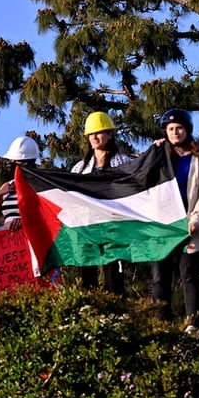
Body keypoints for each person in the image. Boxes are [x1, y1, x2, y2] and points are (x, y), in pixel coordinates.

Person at [151, 108, 199, 333]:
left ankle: (193, 323)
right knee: (159, 276)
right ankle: (160, 323)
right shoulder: (160, 155)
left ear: (187, 130)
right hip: (163, 225)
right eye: (170, 129)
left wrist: (197, 218)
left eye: (179, 128)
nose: (175, 132)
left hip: (189, 225)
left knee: (189, 274)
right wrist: (154, 151)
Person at [71, 112, 133, 295]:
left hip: (114, 228)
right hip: (87, 228)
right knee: (86, 278)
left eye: (98, 132)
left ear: (110, 134)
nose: (94, 137)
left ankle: (117, 309)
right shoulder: (79, 168)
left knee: (114, 278)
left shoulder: (124, 163)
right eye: (91, 134)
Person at [0, 136, 39, 230]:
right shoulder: (8, 185)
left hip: (30, 234)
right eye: (12, 161)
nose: (13, 165)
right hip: (9, 236)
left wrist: (25, 221)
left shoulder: (38, 185)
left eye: (17, 162)